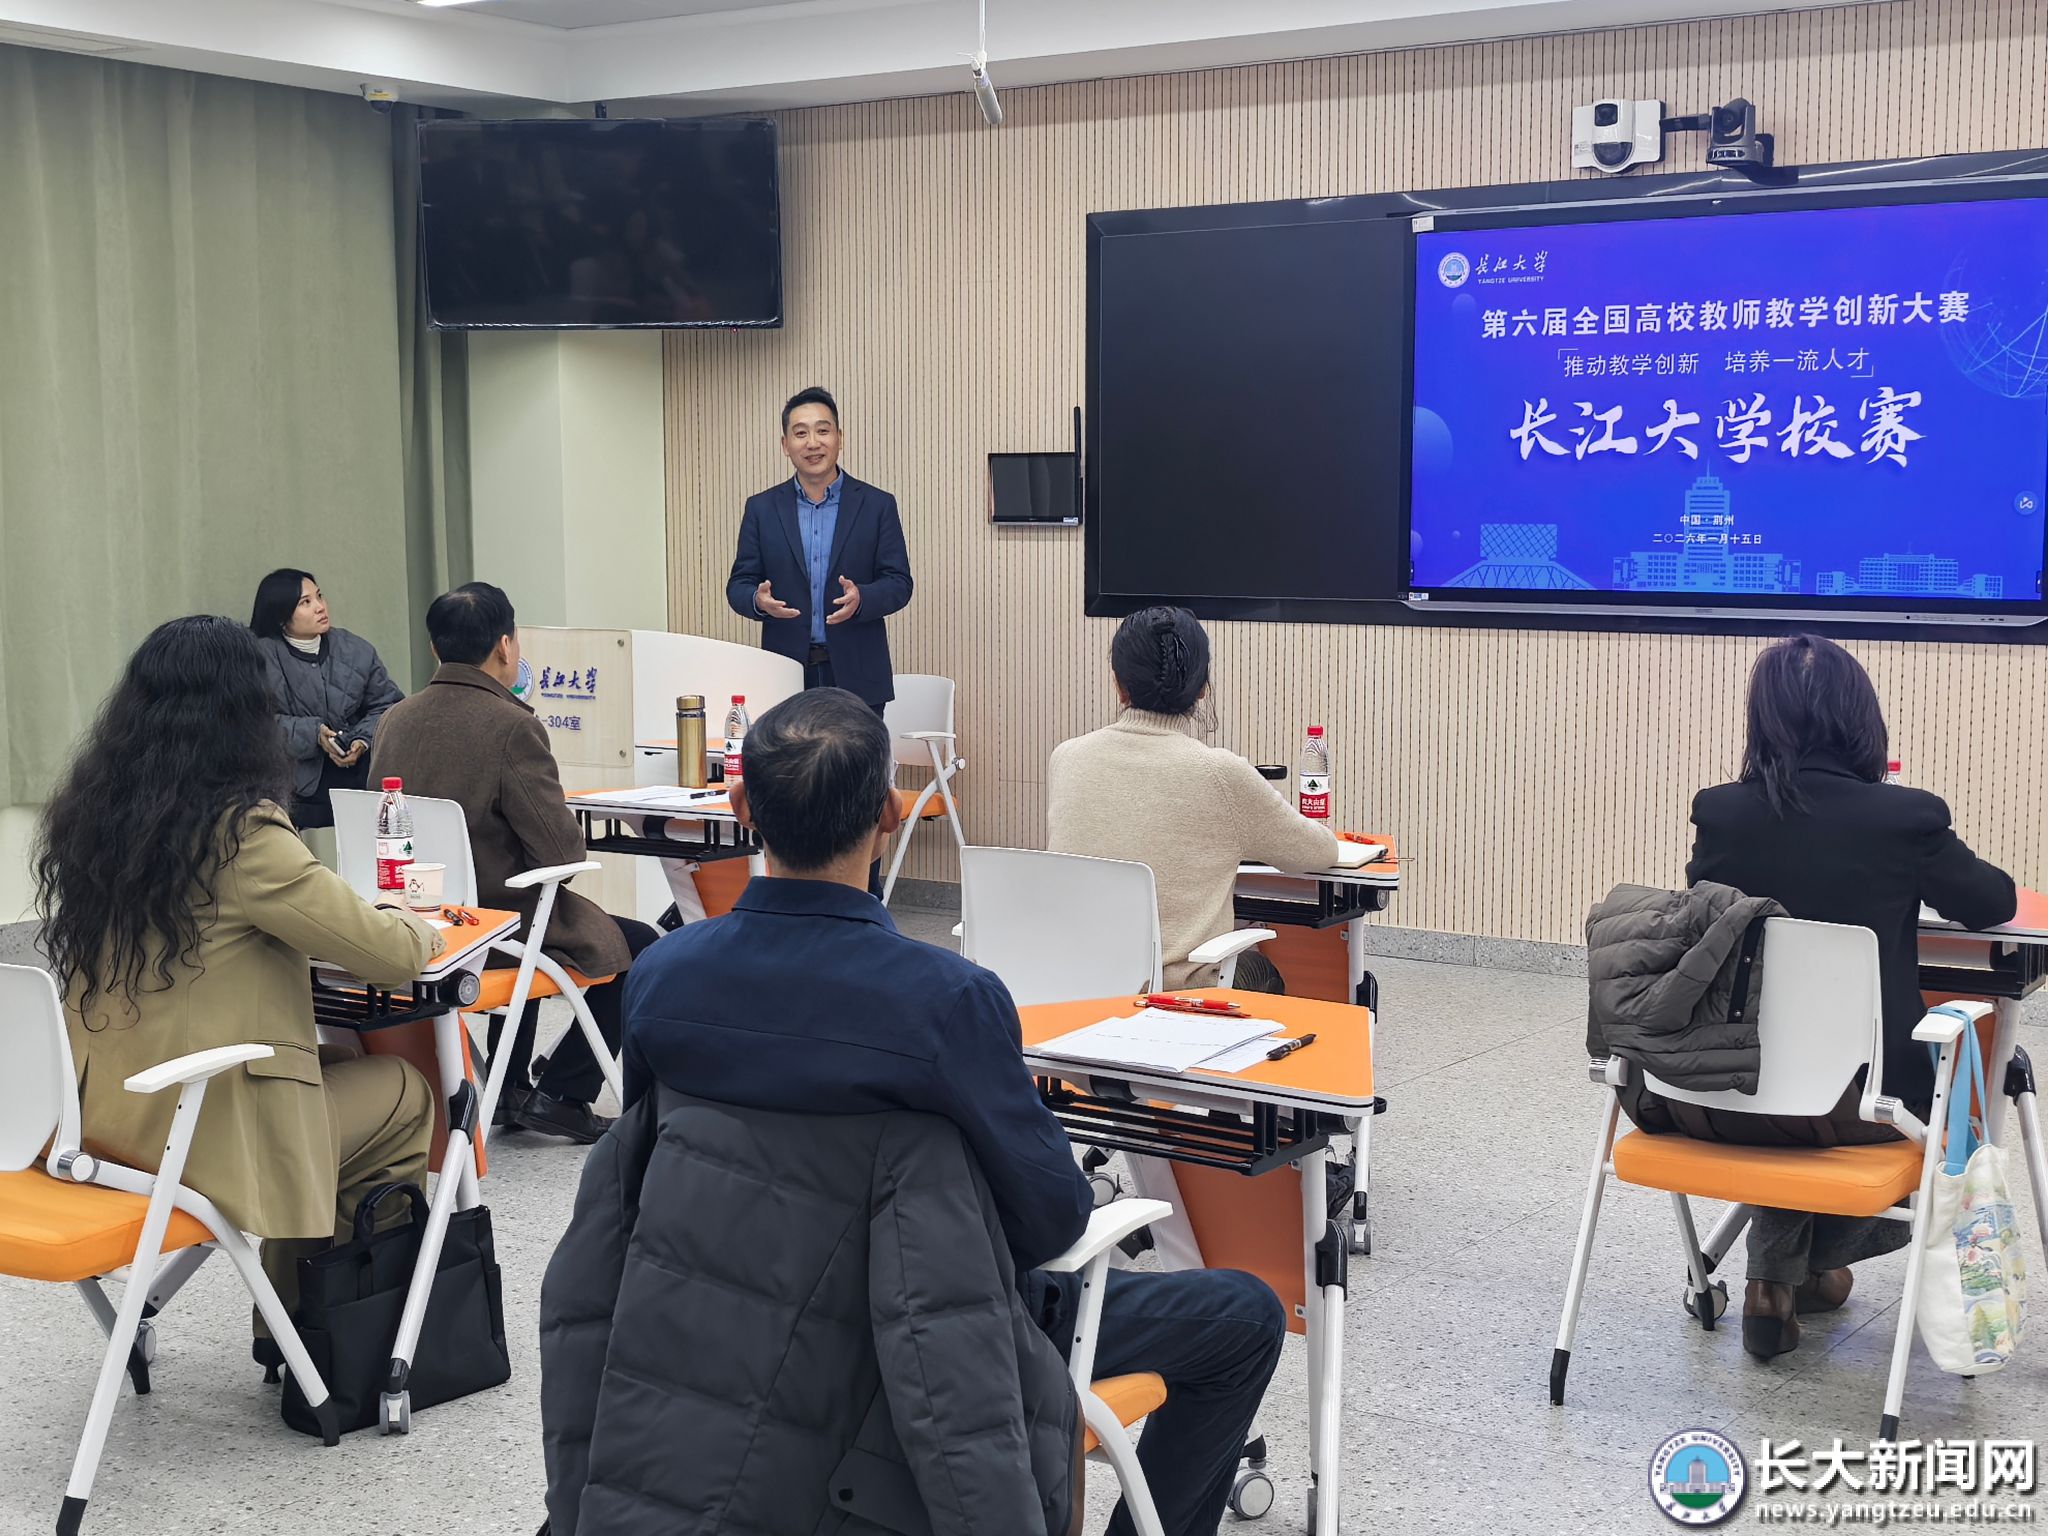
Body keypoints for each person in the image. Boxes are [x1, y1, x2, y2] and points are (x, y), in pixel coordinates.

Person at [623, 689, 1286, 1536]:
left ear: (741, 804)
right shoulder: (945, 1002)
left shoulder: (662, 977)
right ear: (891, 814)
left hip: (711, 1330)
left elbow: (644, 1177)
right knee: (1243, 1318)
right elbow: (1052, 1221)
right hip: (922, 1341)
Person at [33, 615, 438, 1357]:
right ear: (245, 716)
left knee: (335, 1068)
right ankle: (309, 1330)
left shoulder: (94, 816)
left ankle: (291, 1323)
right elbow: (390, 955)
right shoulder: (244, 834)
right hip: (191, 1131)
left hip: (98, 1121)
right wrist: (420, 923)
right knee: (404, 1095)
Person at [1684, 633, 2016, 1359]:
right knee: (1925, 1097)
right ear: (1862, 720)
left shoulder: (1721, 813)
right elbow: (1992, 902)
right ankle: (1807, 1266)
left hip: (1725, 1092)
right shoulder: (1904, 819)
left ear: (1763, 719)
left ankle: (1775, 1279)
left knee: (1790, 1077)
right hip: (1868, 1106)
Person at [371, 583, 657, 1145]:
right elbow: (561, 855)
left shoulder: (394, 719)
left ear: (435, 648)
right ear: (505, 645)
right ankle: (563, 1094)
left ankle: (509, 1090)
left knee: (532, 921)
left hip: (420, 918)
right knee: (639, 945)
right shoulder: (512, 726)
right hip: (496, 925)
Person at [1047, 606, 1341, 993]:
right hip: (1180, 995)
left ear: (1119, 684)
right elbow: (1319, 853)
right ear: (1202, 687)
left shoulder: (1066, 758)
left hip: (1076, 987)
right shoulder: (1220, 772)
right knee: (1260, 968)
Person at [725, 386, 913, 712]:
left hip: (858, 675)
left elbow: (899, 583)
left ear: (840, 438)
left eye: (822, 431)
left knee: (855, 749)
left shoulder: (877, 505)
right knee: (787, 749)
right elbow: (738, 585)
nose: (812, 443)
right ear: (785, 445)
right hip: (784, 674)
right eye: (800, 433)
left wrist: (863, 598)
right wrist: (758, 600)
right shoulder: (762, 508)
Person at [250, 568, 404, 831]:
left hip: (360, 776)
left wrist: (362, 739)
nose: (320, 607)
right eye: (305, 602)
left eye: (319, 596)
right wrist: (314, 734)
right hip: (296, 787)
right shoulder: (257, 659)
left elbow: (389, 705)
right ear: (281, 617)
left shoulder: (356, 650)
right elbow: (253, 724)